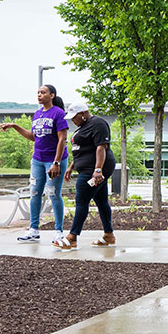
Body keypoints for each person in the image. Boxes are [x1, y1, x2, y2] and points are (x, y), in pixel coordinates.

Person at [0, 84, 69, 243]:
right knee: (35, 193)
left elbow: (62, 139)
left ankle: (59, 231)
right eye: (38, 92)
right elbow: (33, 136)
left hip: (54, 160)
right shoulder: (37, 114)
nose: (39, 95)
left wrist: (56, 162)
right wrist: (15, 126)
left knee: (53, 193)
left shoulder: (58, 113)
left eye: (43, 92)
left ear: (52, 95)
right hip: (37, 160)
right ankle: (34, 230)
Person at [52, 103, 116, 249]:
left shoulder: (98, 123)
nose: (73, 121)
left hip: (92, 171)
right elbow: (83, 150)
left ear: (83, 114)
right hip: (87, 168)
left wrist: (98, 170)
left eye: (74, 117)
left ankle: (72, 237)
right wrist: (71, 166)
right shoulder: (84, 127)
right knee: (101, 201)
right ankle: (108, 235)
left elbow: (101, 147)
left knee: (81, 200)